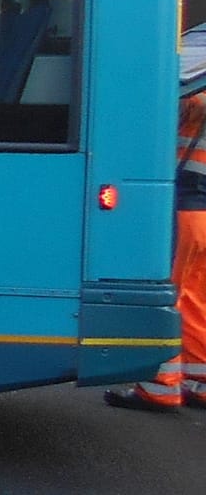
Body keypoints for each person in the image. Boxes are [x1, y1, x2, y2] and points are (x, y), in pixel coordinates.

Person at [105, 92, 206, 411]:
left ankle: (160, 388)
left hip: (188, 208)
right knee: (195, 298)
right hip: (201, 213)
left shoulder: (194, 93)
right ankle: (200, 381)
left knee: (169, 298)